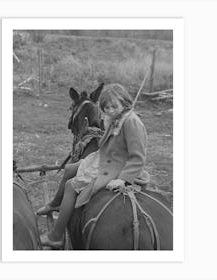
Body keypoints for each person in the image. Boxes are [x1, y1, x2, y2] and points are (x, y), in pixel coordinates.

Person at [39, 83, 149, 248]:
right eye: (106, 108)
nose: (110, 110)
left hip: (117, 167)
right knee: (70, 169)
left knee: (70, 186)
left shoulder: (132, 122)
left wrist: (123, 180)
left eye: (114, 106)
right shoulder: (118, 118)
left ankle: (56, 235)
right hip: (104, 158)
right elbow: (111, 141)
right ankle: (56, 204)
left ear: (125, 102)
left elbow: (138, 157)